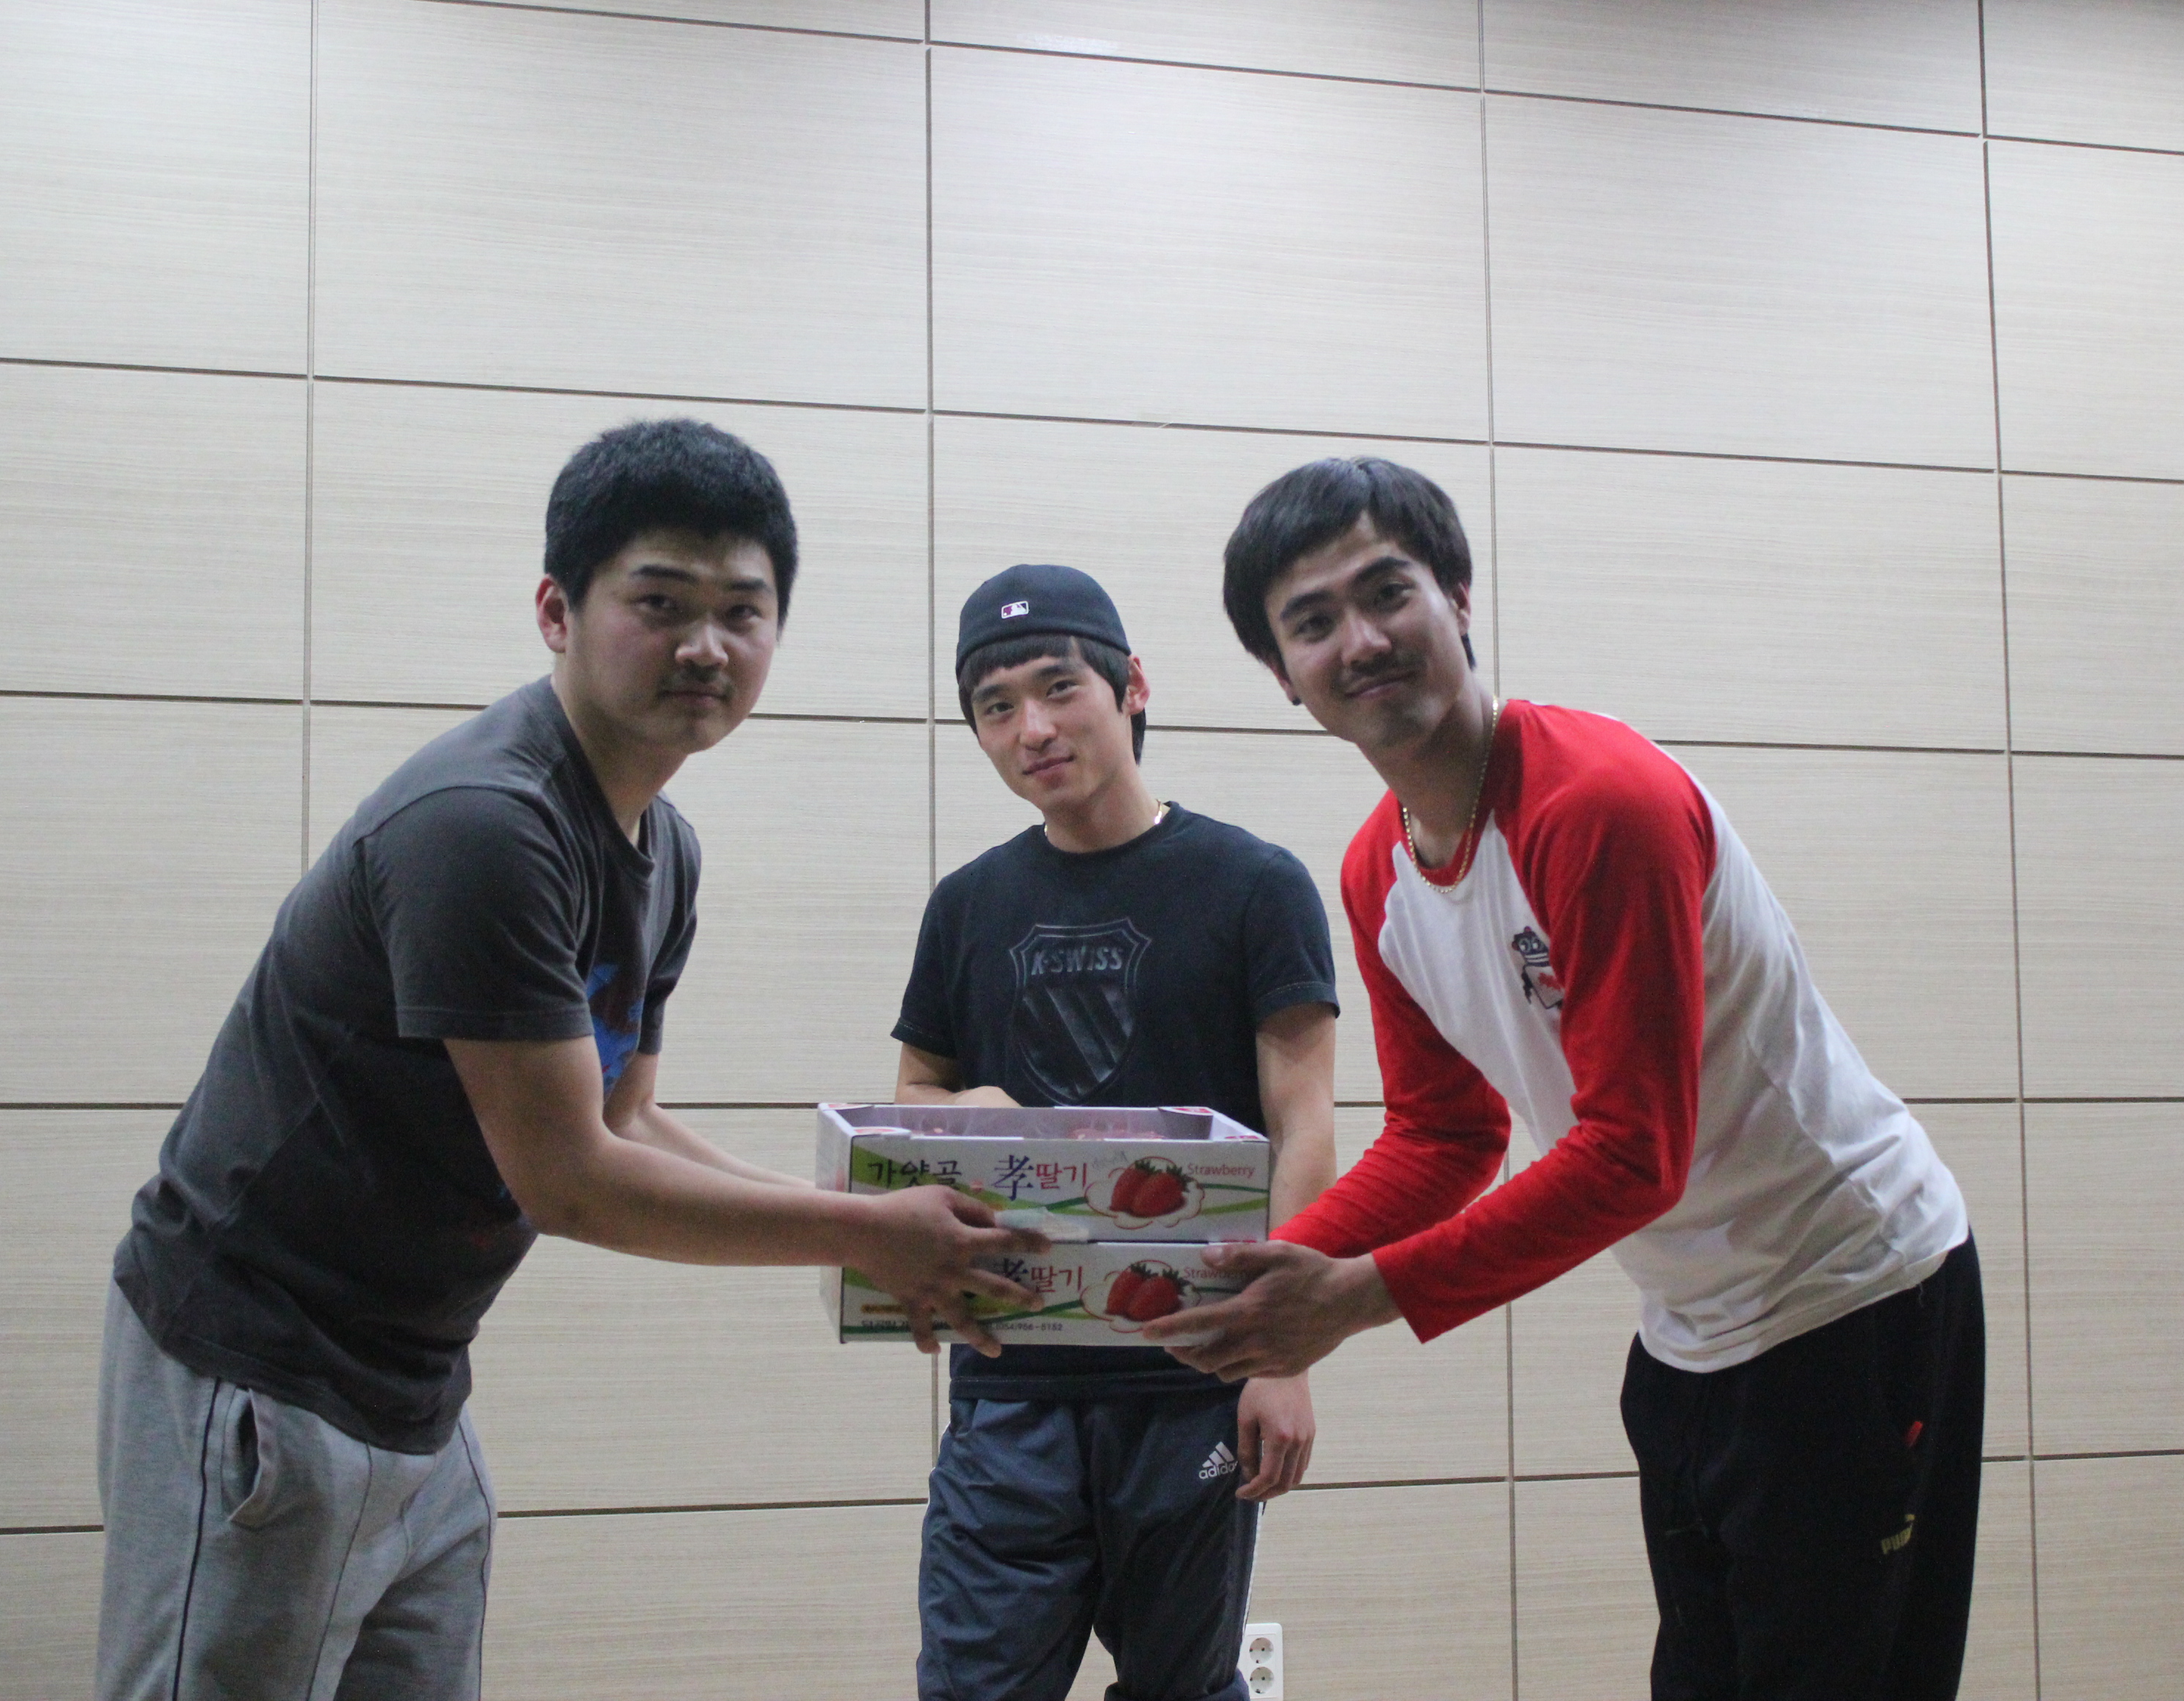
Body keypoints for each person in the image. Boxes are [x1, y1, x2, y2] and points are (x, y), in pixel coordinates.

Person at [96, 419, 1046, 1701]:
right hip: (255, 1362)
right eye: (660, 604)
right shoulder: (485, 825)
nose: (706, 646)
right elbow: (571, 1184)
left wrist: (871, 1215)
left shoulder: (665, 848)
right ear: (558, 611)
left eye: (742, 611)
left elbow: (625, 1118)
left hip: (413, 1381)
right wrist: (866, 1236)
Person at [1154, 458, 1984, 1700]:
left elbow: (1635, 1154)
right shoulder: (1380, 872)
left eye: (1387, 593)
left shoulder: (1599, 803)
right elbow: (1444, 1135)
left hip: (1854, 1297)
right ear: (1283, 674)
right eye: (1313, 622)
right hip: (1691, 1336)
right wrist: (1266, 1273)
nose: (1361, 640)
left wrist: (1353, 1297)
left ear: (1459, 599)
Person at [893, 563, 1340, 1701]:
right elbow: (913, 1112)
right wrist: (958, 1116)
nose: (1033, 729)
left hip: (1193, 1374)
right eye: (997, 707)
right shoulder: (966, 906)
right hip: (1010, 1381)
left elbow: (1303, 1126)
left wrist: (1283, 1354)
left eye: (1059, 688)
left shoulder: (1255, 884)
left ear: (1132, 685)